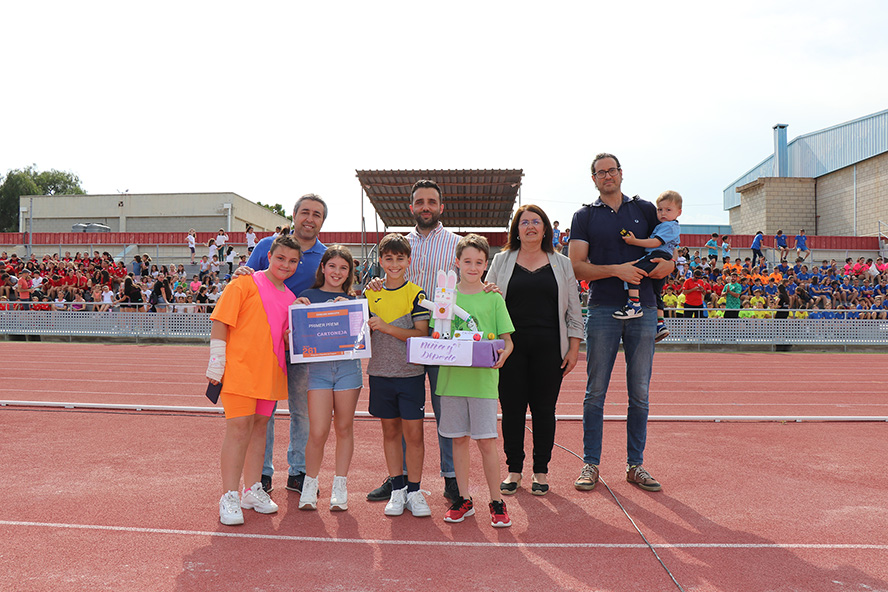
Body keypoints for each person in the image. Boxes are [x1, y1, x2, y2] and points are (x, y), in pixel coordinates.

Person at [568, 153, 673, 493]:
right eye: (600, 172)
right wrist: (617, 270)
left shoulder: (643, 210)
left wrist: (668, 268)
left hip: (644, 309)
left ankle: (635, 465)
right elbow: (577, 267)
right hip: (601, 309)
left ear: (621, 173)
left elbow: (669, 250)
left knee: (639, 393)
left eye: (611, 170)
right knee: (595, 391)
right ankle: (591, 464)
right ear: (593, 179)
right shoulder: (584, 216)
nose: (607, 176)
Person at [364, 179, 462, 504]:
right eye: (420, 202)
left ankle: (451, 478)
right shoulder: (399, 244)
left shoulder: (455, 244)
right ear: (411, 207)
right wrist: (378, 283)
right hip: (402, 343)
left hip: (440, 337)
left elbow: (472, 280)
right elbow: (388, 284)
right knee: (404, 415)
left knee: (444, 409)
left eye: (431, 201)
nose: (425, 207)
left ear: (440, 207)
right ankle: (400, 480)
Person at [485, 205, 583, 498]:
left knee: (544, 411)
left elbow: (573, 311)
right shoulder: (501, 261)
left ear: (545, 228)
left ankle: (541, 470)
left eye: (535, 222)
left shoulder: (562, 263)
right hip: (509, 348)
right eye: (523, 222)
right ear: (516, 229)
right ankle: (514, 469)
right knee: (512, 411)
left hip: (550, 349)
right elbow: (485, 297)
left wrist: (574, 348)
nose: (530, 226)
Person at [207, 234, 302, 526]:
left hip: (271, 372)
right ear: (269, 256)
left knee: (260, 429)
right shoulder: (244, 283)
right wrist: (216, 363)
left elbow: (285, 339)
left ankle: (251, 489)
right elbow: (221, 321)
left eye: (293, 261)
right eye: (280, 258)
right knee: (238, 429)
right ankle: (229, 495)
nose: (285, 265)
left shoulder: (289, 297)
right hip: (239, 370)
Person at [242, 194, 328, 494]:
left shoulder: (326, 255)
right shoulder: (268, 246)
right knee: (264, 410)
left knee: (302, 410)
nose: (310, 218)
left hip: (305, 344)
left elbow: (336, 292)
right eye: (305, 212)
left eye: (316, 214)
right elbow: (249, 279)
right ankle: (262, 473)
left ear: (322, 221)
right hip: (265, 340)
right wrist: (241, 272)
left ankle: (298, 471)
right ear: (294, 215)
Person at [434, 234, 514, 527]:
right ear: (457, 262)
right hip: (452, 383)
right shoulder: (446, 297)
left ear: (485, 265)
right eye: (467, 261)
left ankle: (497, 501)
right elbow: (437, 337)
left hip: (482, 383)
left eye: (478, 262)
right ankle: (464, 499)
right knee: (458, 440)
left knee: (486, 442)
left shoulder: (493, 298)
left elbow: (507, 340)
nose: (472, 266)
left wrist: (503, 355)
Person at [366, 233, 431, 518]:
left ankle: (415, 491)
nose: (394, 264)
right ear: (380, 260)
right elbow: (359, 332)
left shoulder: (417, 294)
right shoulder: (370, 293)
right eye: (388, 258)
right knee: (390, 433)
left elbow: (420, 335)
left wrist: (385, 326)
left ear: (408, 261)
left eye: (399, 258)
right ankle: (397, 488)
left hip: (410, 375)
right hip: (380, 373)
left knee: (414, 435)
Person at [295, 246, 363, 512]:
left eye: (343, 268)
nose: (337, 272)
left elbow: (360, 339)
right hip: (318, 372)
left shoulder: (354, 299)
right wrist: (296, 311)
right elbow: (295, 333)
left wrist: (353, 311)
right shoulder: (306, 296)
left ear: (349, 273)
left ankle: (340, 485)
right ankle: (310, 484)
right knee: (318, 430)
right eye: (332, 266)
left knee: (344, 428)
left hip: (348, 369)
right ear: (323, 267)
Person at [614, 190, 682, 342]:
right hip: (662, 257)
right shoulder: (667, 225)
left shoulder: (669, 226)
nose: (663, 213)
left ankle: (634, 305)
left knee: (632, 271)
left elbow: (655, 243)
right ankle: (660, 324)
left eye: (668, 210)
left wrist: (634, 241)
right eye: (660, 209)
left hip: (657, 256)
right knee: (657, 293)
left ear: (679, 212)